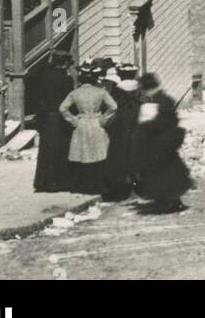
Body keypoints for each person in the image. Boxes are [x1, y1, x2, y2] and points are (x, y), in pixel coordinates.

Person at [130, 73, 193, 213]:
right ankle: (169, 200)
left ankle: (169, 201)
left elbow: (163, 122)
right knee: (167, 172)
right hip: (163, 143)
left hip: (159, 143)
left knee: (162, 174)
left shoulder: (158, 102)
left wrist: (147, 125)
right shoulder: (162, 99)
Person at [59, 63, 120, 194]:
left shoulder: (75, 93)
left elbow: (62, 108)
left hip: (81, 123)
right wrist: (104, 119)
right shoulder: (101, 92)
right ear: (94, 78)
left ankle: (82, 186)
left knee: (83, 153)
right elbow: (114, 106)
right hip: (97, 123)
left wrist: (73, 120)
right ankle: (98, 185)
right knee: (98, 154)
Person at [33, 52, 75, 193]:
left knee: (46, 150)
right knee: (61, 149)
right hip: (60, 117)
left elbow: (39, 99)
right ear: (65, 63)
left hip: (46, 117)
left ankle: (43, 182)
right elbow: (69, 102)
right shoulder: (66, 80)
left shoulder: (43, 77)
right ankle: (60, 182)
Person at [103, 64, 141, 202]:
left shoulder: (117, 90)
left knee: (121, 152)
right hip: (138, 121)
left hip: (122, 124)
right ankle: (137, 186)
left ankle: (123, 186)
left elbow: (112, 106)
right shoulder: (140, 89)